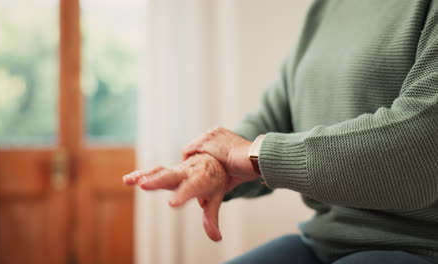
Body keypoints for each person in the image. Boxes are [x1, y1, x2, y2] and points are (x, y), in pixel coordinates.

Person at [123, 0, 438, 263]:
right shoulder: (328, 6)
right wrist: (215, 163)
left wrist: (258, 155)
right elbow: (277, 114)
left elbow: (422, 146)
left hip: (420, 245)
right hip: (324, 242)